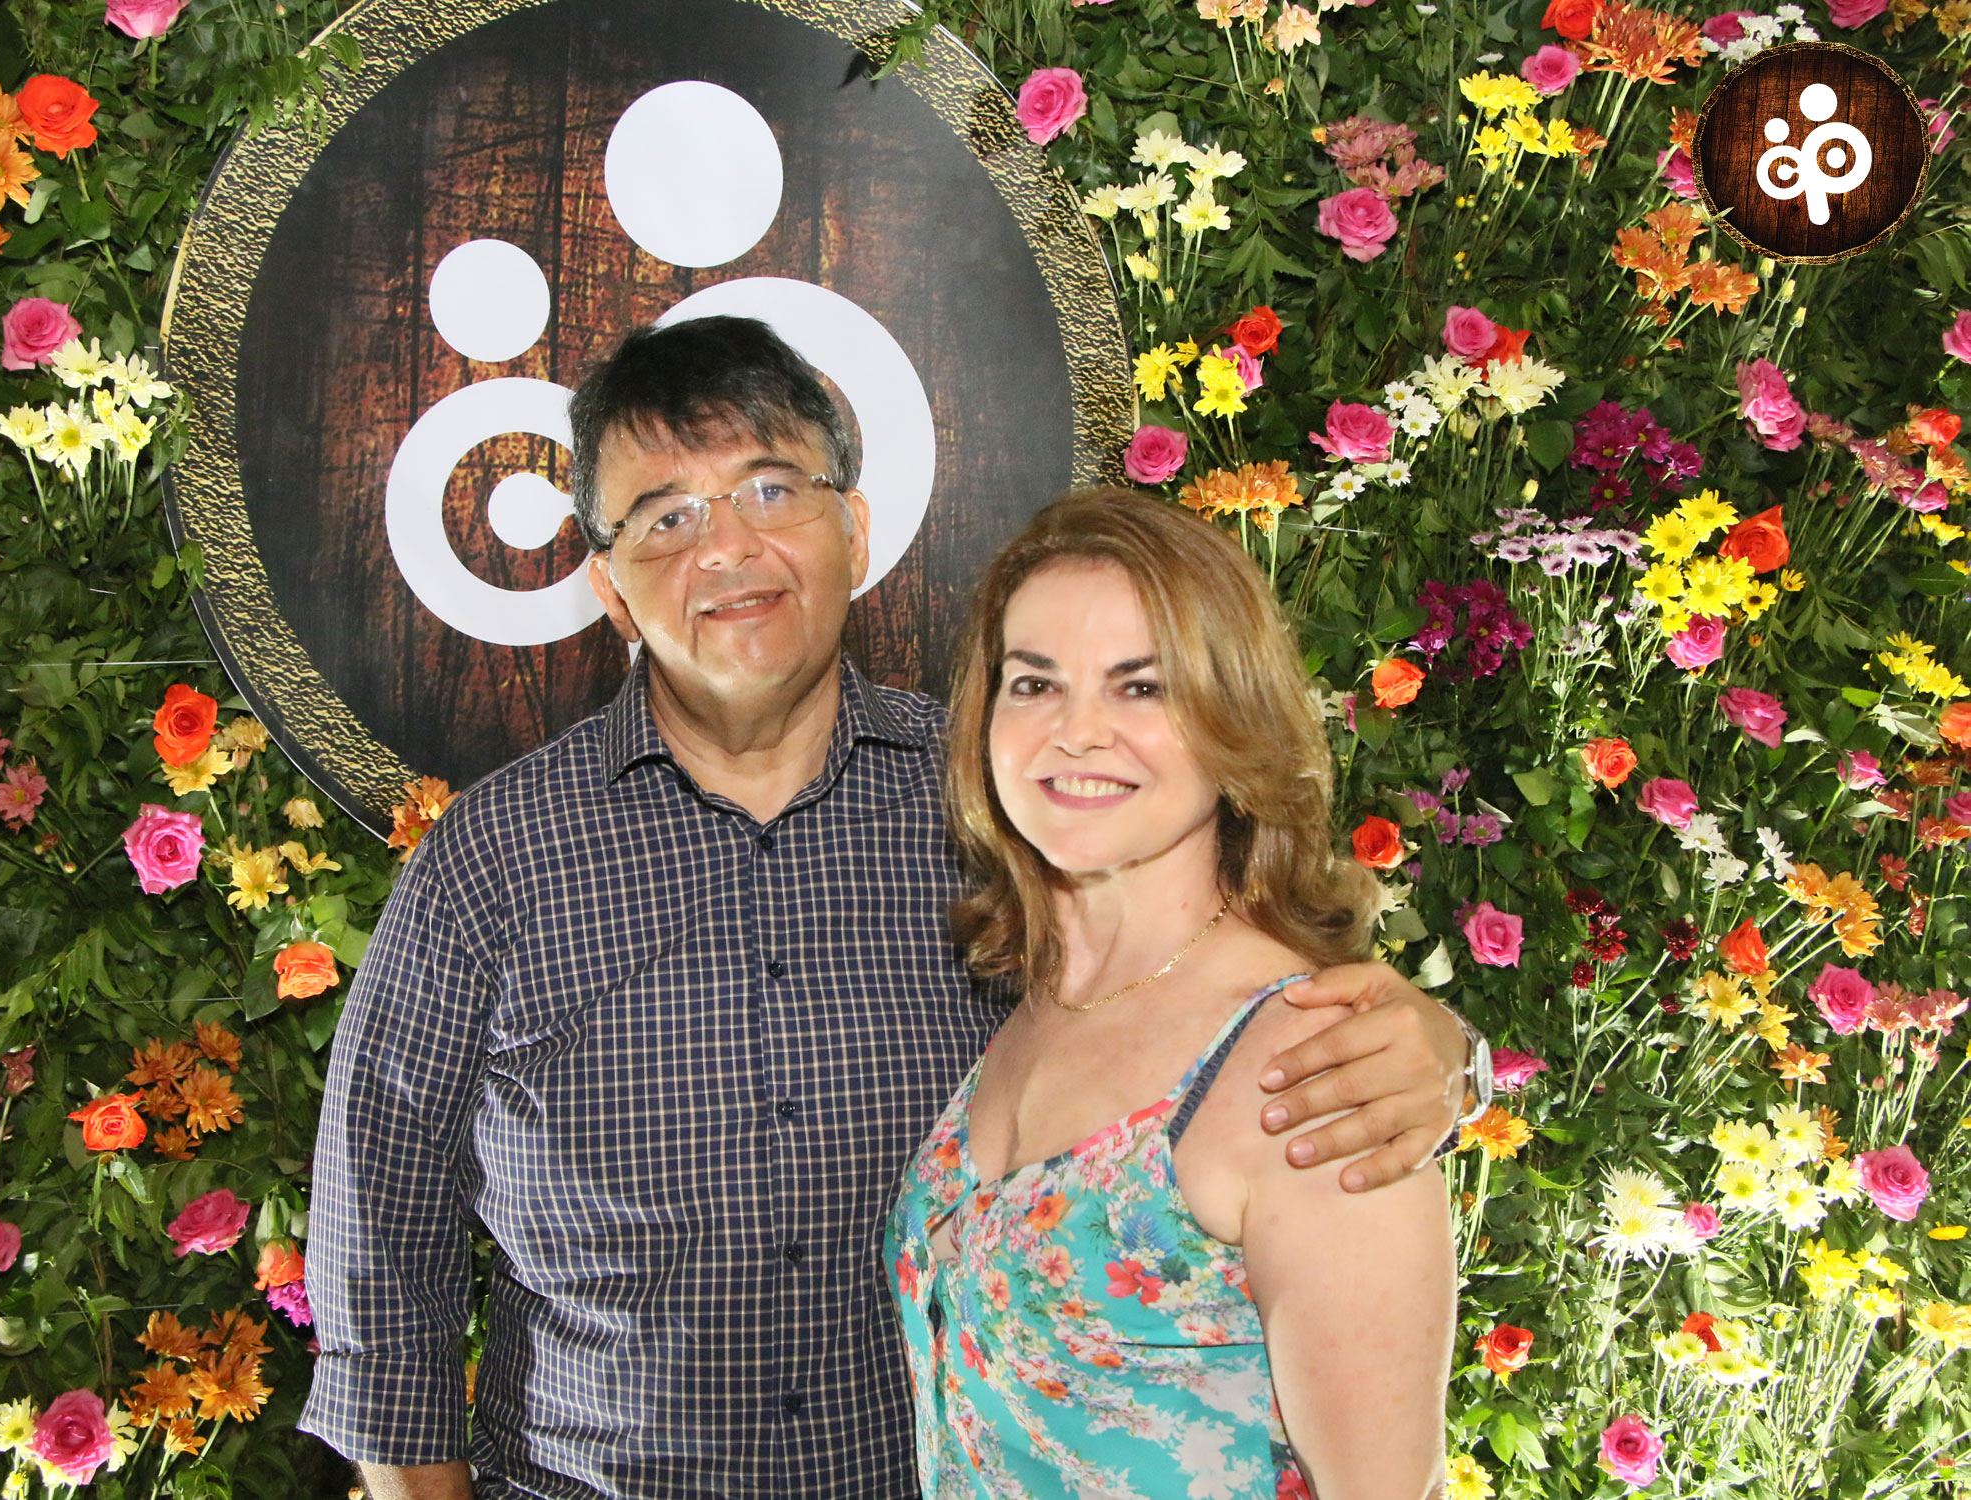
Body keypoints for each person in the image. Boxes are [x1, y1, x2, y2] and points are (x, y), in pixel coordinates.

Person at [301, 317, 1484, 1500]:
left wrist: (1448, 1058)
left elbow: (1208, 1004)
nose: (728, 547)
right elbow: (377, 1263)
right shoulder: (493, 864)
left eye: (772, 488)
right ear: (609, 587)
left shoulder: (1003, 812)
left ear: (856, 529)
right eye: (666, 517)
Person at [887, 490, 1454, 1499]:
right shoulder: (1035, 1007)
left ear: (1232, 718)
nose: (1076, 733)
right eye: (1035, 683)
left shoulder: (1313, 1066)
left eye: (1140, 687)